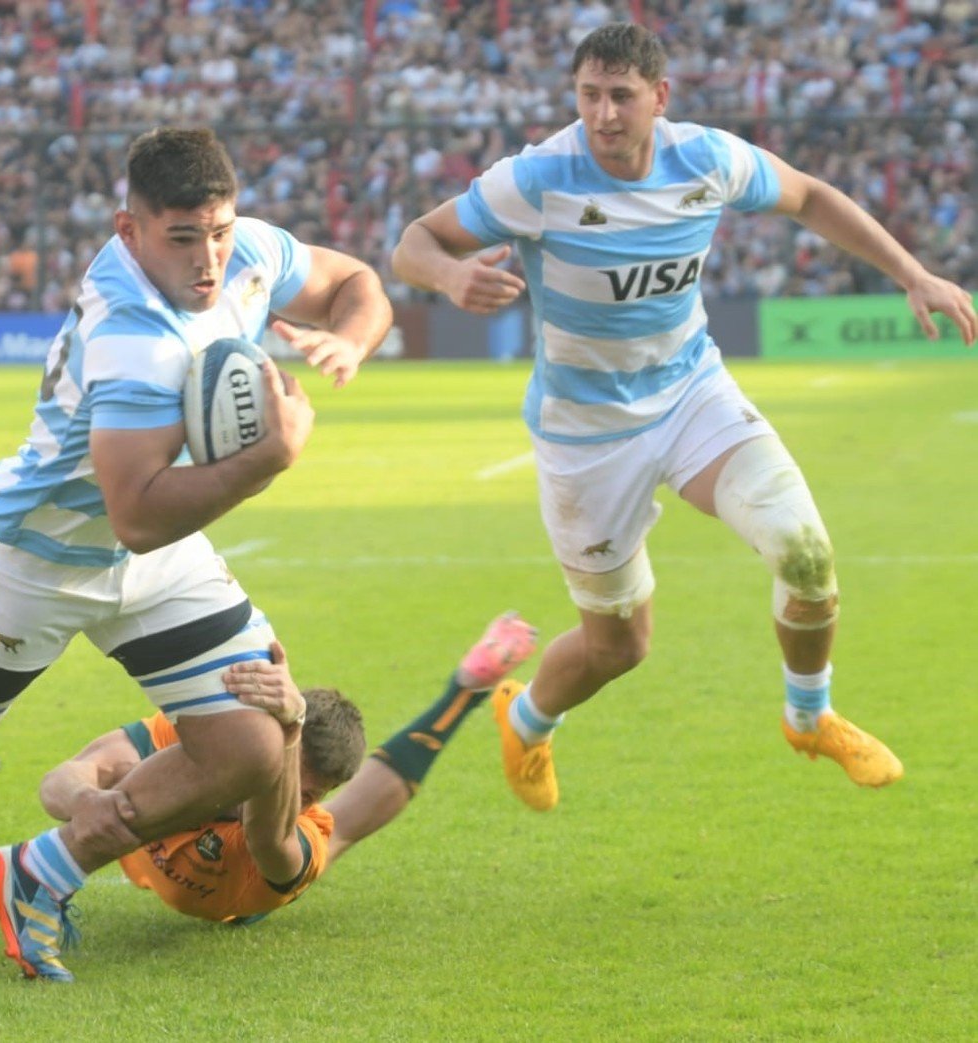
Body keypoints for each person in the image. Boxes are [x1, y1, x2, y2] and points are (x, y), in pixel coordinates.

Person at [0, 127, 393, 978]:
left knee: (252, 742)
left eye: (218, 230)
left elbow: (354, 280)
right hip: (40, 556)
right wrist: (269, 459)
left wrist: (349, 341)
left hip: (160, 559)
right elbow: (133, 511)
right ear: (127, 229)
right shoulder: (133, 334)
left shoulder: (244, 249)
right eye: (182, 238)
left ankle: (40, 870)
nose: (208, 259)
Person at [391, 23, 978, 812]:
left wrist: (912, 274)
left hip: (689, 392)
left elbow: (807, 195)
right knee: (618, 646)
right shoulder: (535, 178)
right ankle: (526, 717)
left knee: (804, 553)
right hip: (585, 432)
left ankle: (809, 715)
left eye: (620, 96)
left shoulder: (706, 158)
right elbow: (413, 241)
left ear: (658, 98)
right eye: (588, 95)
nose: (602, 114)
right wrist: (448, 275)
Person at [0, 612, 534, 954]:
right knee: (152, 777)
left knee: (341, 832)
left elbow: (265, 837)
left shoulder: (306, 831)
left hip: (241, 899)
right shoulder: (194, 747)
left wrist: (290, 734)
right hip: (210, 785)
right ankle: (41, 877)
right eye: (295, 780)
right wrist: (87, 801)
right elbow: (63, 778)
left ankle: (464, 692)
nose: (298, 798)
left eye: (311, 794)